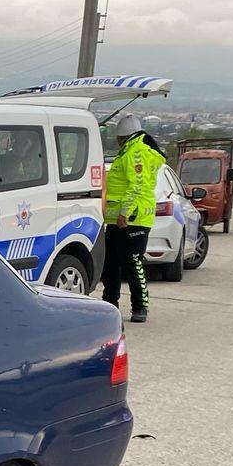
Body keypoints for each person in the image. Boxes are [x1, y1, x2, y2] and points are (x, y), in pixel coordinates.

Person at [102, 114, 157, 323]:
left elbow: (137, 186)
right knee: (111, 265)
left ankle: (140, 307)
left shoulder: (136, 153)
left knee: (133, 264)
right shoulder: (128, 151)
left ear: (122, 136)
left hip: (132, 220)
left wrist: (125, 212)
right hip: (117, 221)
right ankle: (110, 304)